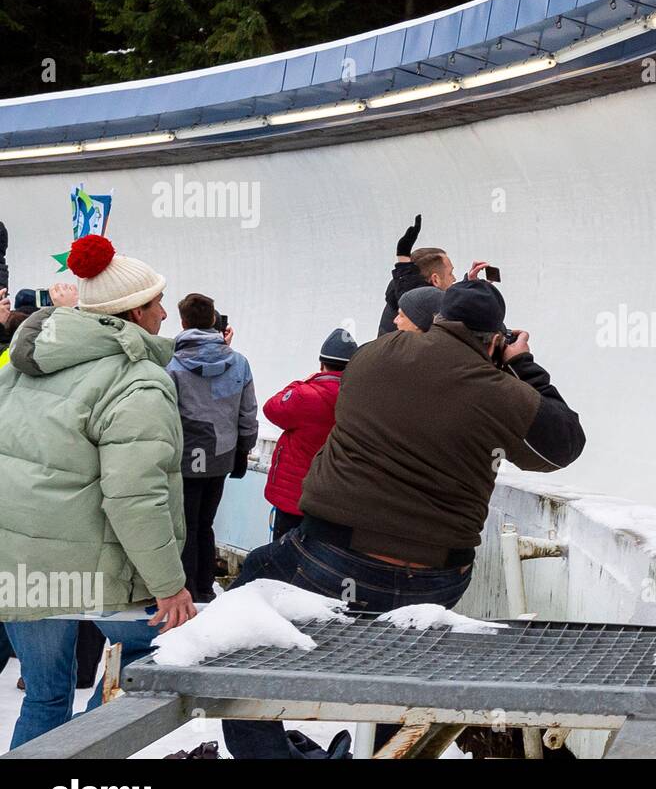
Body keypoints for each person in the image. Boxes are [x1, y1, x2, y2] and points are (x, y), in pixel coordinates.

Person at [223, 279, 586, 758]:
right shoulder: (503, 394)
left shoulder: (370, 359)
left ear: (435, 320)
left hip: (331, 557)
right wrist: (520, 366)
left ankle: (266, 752)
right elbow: (562, 446)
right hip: (437, 578)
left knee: (246, 597)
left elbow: (410, 372)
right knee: (397, 657)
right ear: (495, 339)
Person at [0, 234, 195, 749]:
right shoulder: (137, 381)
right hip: (94, 571)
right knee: (138, 670)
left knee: (43, 697)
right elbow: (135, 495)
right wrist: (169, 585)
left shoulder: (24, 367)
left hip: (17, 566)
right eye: (156, 303)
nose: (163, 314)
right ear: (131, 313)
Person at [166, 293, 258, 602]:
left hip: (185, 455)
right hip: (221, 454)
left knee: (186, 524)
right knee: (206, 522)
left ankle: (187, 587)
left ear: (183, 322)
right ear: (214, 320)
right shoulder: (238, 361)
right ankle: (206, 586)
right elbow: (248, 411)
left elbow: (166, 412)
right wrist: (244, 448)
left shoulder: (172, 364)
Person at [262, 328, 358, 540]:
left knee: (284, 556)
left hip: (294, 495)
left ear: (322, 363)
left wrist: (302, 383)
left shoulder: (305, 394)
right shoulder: (358, 397)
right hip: (332, 497)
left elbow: (272, 409)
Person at [376, 214, 491, 335]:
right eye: (450, 273)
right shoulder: (421, 305)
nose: (454, 278)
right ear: (435, 279)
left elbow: (410, 287)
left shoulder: (400, 291)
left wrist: (469, 282)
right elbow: (417, 296)